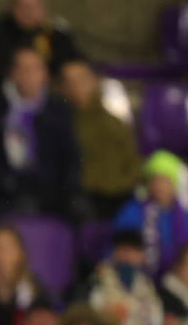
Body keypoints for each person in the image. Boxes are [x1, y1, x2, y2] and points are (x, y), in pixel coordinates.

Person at [0, 46, 82, 218]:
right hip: (9, 190)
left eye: (34, 68)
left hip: (52, 190)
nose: (28, 75)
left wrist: (67, 190)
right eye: (22, 68)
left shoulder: (58, 110)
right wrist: (8, 184)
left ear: (45, 74)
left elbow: (70, 155)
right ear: (12, 74)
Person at [60, 59, 140, 216]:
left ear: (94, 82)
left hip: (120, 195)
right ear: (63, 88)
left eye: (82, 80)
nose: (78, 87)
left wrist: (125, 184)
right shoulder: (61, 125)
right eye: (70, 82)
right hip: (82, 198)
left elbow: (133, 162)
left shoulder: (115, 123)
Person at [0, 0, 80, 99]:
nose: (29, 10)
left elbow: (75, 64)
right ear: (12, 7)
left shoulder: (58, 37)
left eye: (35, 4)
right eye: (22, 4)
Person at [112, 150, 188, 279]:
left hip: (175, 280)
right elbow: (120, 248)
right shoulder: (132, 211)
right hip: (136, 278)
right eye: (155, 180)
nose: (160, 186)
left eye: (165, 180)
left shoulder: (187, 217)